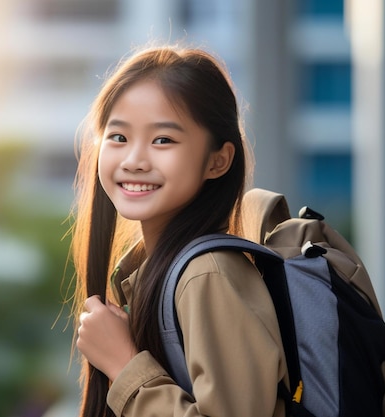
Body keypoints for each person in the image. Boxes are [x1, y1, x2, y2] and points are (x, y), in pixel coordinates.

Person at [69, 44, 288, 417]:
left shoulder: (208, 274)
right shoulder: (156, 269)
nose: (135, 161)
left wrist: (124, 366)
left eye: (163, 140)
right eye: (119, 137)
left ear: (218, 161)